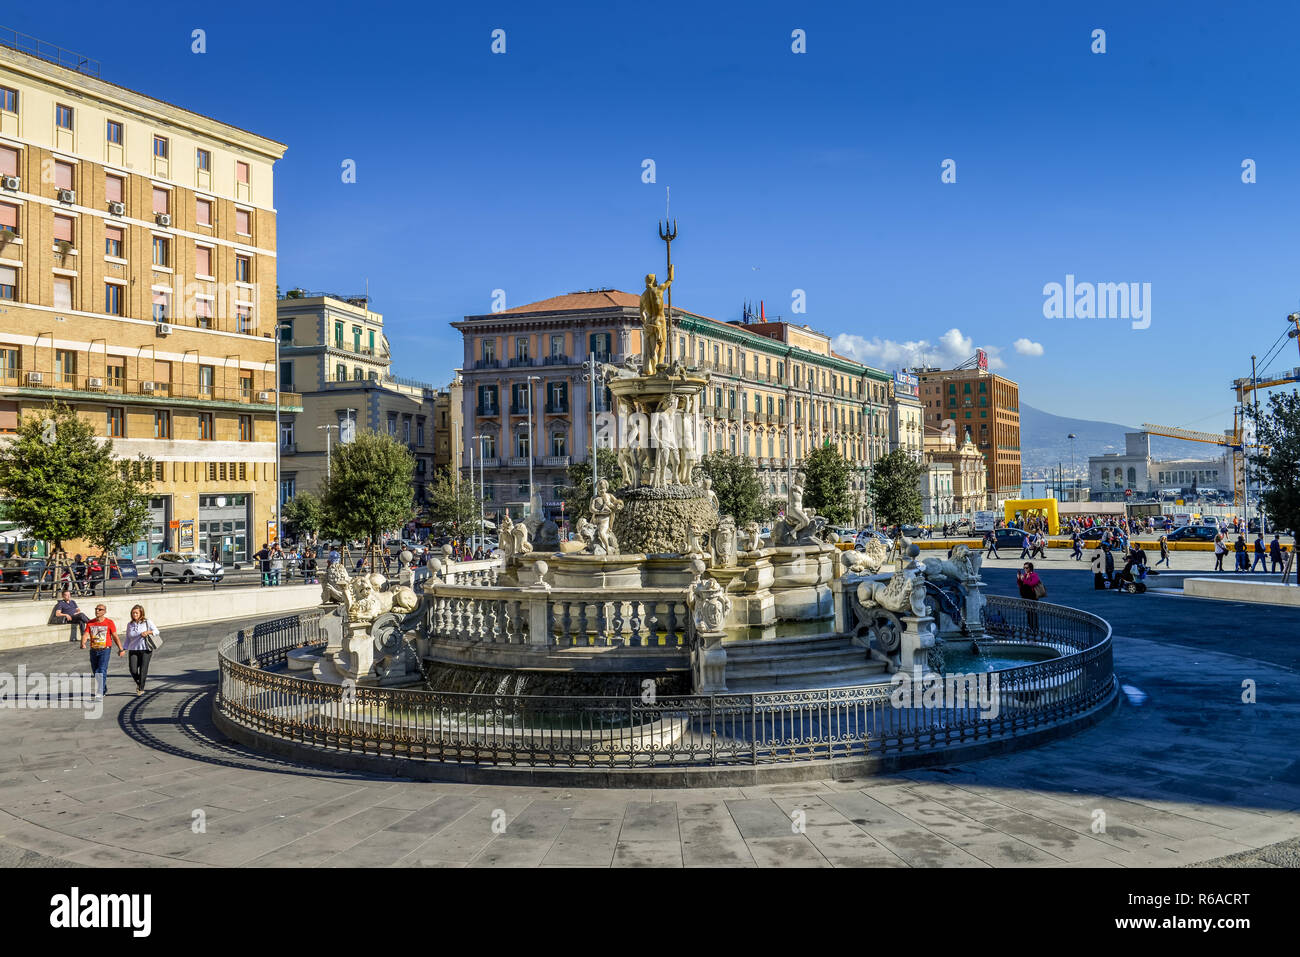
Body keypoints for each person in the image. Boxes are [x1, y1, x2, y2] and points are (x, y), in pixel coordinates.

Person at [80, 603, 122, 699]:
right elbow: (86, 634)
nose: (97, 611)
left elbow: (115, 636)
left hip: (105, 650)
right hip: (94, 650)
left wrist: (121, 648)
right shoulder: (90, 622)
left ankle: (99, 691)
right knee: (95, 671)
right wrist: (83, 643)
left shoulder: (109, 622)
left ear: (104, 612)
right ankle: (103, 688)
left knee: (101, 670)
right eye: (96, 609)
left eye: (100, 609)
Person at [120, 604, 160, 696]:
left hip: (146, 649)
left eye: (136, 613)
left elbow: (157, 631)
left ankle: (141, 688)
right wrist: (123, 649)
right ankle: (140, 683)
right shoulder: (129, 624)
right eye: (133, 613)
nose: (134, 615)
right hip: (133, 649)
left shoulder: (147, 622)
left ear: (141, 613)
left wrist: (148, 632)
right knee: (133, 669)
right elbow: (127, 638)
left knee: (143, 669)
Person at [1017, 562, 1044, 633]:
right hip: (1026, 597)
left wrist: (1024, 580)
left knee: (1033, 613)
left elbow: (1032, 583)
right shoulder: (1025, 575)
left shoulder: (1034, 575)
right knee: (1028, 613)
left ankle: (1035, 628)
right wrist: (1019, 579)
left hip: (1033, 598)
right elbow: (1021, 585)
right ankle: (1030, 627)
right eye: (1024, 568)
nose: (1025, 569)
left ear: (1030, 568)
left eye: (1026, 568)